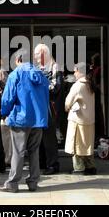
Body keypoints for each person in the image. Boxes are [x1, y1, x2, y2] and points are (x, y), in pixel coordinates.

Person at [0, 50, 49, 193]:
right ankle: (33, 182)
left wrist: (3, 113)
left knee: (18, 152)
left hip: (21, 119)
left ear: (18, 60)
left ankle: (12, 183)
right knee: (34, 152)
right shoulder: (41, 75)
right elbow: (46, 98)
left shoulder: (16, 74)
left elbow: (7, 98)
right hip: (38, 119)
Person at [34, 43, 62, 175]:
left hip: (50, 105)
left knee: (49, 136)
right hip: (39, 105)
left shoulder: (55, 66)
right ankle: (42, 162)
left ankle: (53, 164)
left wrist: (40, 87)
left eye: (37, 54)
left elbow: (56, 87)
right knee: (40, 135)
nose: (35, 56)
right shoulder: (37, 68)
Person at [64, 62, 96, 175]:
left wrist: (67, 108)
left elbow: (68, 102)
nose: (74, 73)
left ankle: (78, 168)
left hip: (78, 119)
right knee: (87, 145)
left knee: (76, 145)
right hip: (89, 119)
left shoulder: (78, 85)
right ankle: (90, 166)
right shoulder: (90, 84)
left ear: (80, 72)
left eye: (75, 70)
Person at [89, 53, 106, 144]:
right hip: (95, 93)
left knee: (97, 114)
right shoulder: (95, 69)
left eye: (93, 60)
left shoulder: (98, 69)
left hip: (96, 93)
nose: (92, 62)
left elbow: (95, 81)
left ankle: (98, 136)